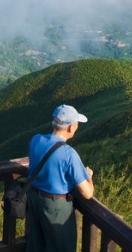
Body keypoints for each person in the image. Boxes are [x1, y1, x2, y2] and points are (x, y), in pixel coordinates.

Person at [25, 104, 94, 252]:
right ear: (70, 128)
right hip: (56, 207)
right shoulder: (69, 154)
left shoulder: (36, 140)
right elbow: (88, 194)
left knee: (36, 245)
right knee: (61, 247)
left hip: (33, 199)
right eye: (76, 124)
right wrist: (88, 177)